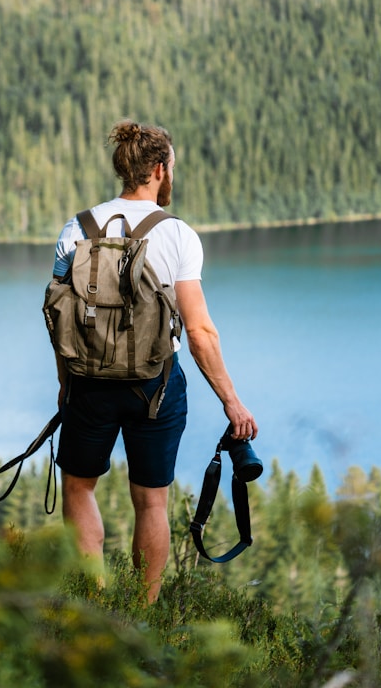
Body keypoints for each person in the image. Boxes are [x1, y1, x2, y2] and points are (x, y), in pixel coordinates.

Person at [51, 120, 258, 602]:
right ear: (160, 170)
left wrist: (67, 384)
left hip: (87, 383)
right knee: (151, 502)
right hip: (157, 388)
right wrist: (232, 403)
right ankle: (146, 614)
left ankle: (92, 600)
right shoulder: (177, 235)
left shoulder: (77, 228)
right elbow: (200, 330)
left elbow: (59, 317)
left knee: (79, 489)